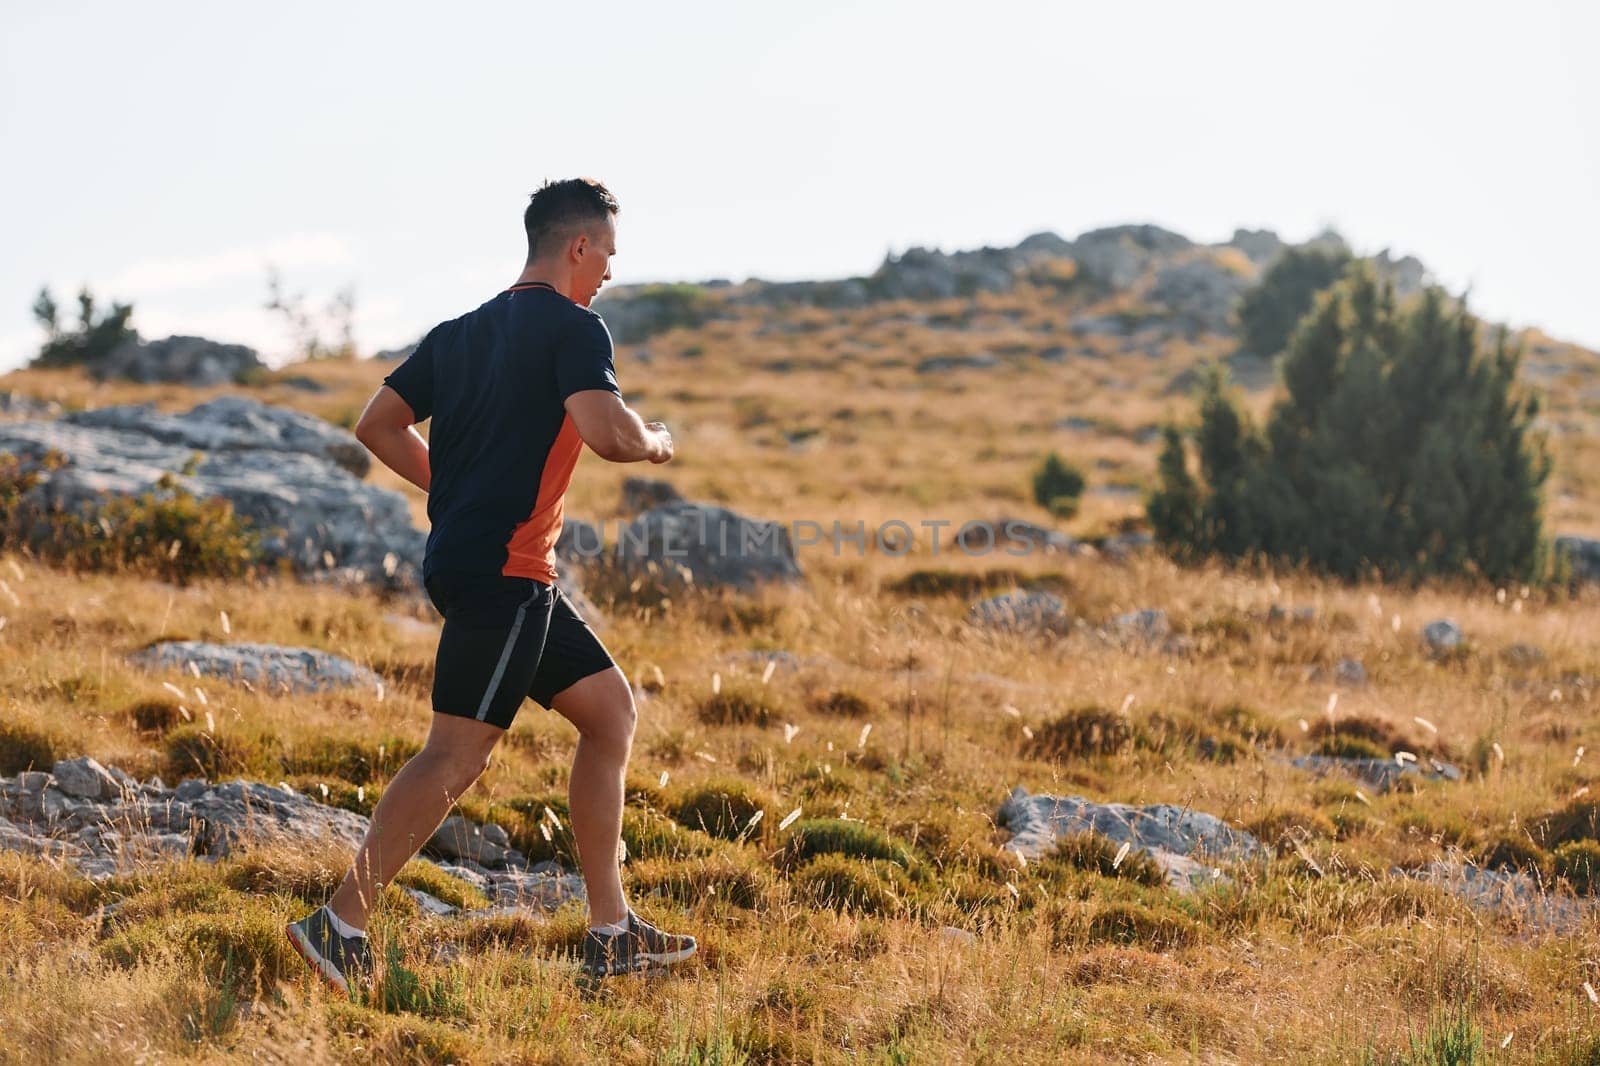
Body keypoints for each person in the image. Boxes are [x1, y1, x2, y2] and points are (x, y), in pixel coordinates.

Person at [286, 177, 695, 993]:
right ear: (578, 247)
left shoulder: (460, 332)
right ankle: (338, 924)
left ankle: (612, 931)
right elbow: (606, 432)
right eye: (607, 254)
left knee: (610, 713)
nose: (609, 271)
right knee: (456, 753)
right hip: (505, 573)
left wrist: (451, 491)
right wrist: (656, 444)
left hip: (502, 570)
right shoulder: (576, 327)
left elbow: (376, 424)